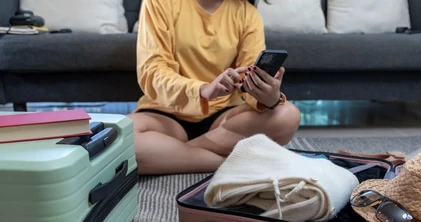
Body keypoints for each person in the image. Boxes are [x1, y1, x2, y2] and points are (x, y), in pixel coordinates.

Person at [127, 0, 302, 175]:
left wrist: (269, 98)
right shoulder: (159, 3)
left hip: (223, 120)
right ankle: (227, 162)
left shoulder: (246, 13)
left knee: (287, 115)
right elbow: (152, 71)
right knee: (117, 140)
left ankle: (170, 156)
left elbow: (248, 74)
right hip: (164, 114)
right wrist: (202, 90)